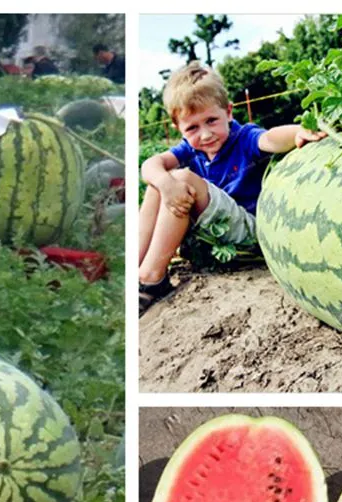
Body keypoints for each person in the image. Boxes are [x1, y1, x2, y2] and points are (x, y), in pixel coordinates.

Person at [138, 61, 327, 315]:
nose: (205, 135)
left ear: (228, 112)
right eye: (192, 128)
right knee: (157, 184)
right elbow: (151, 165)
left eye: (212, 121)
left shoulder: (243, 138)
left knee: (181, 179)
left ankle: (152, 279)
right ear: (178, 129)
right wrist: (163, 183)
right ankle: (136, 267)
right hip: (215, 232)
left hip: (247, 233)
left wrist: (298, 132)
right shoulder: (190, 148)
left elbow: (269, 138)